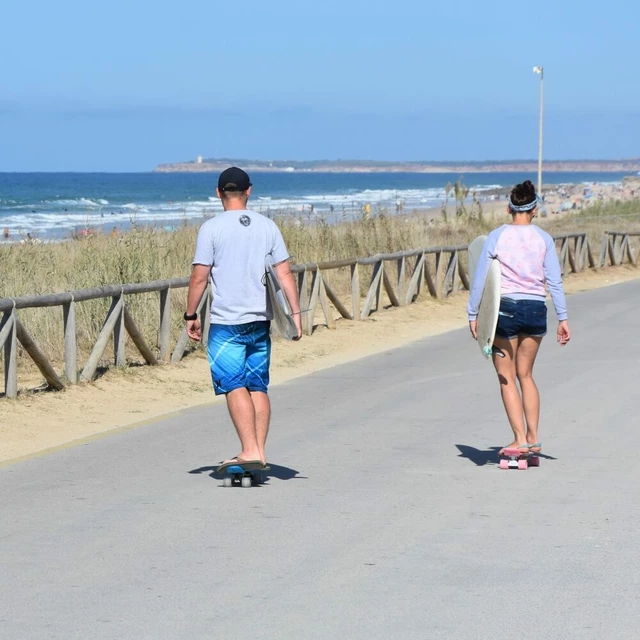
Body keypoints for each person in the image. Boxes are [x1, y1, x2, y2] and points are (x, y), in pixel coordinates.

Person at [185, 167, 302, 472]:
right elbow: (285, 273)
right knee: (257, 385)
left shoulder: (211, 228)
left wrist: (190, 314)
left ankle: (249, 450)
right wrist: (296, 316)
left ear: (218, 192)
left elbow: (200, 277)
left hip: (227, 321)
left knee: (234, 383)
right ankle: (259, 452)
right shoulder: (267, 226)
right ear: (249, 191)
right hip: (260, 319)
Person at [467, 180, 571, 456]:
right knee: (526, 375)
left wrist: (473, 313)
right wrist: (563, 318)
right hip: (537, 309)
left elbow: (481, 279)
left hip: (506, 310)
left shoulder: (497, 236)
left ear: (508, 208)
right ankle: (533, 437)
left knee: (506, 377)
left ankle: (519, 439)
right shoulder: (543, 239)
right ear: (534, 209)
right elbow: (555, 281)